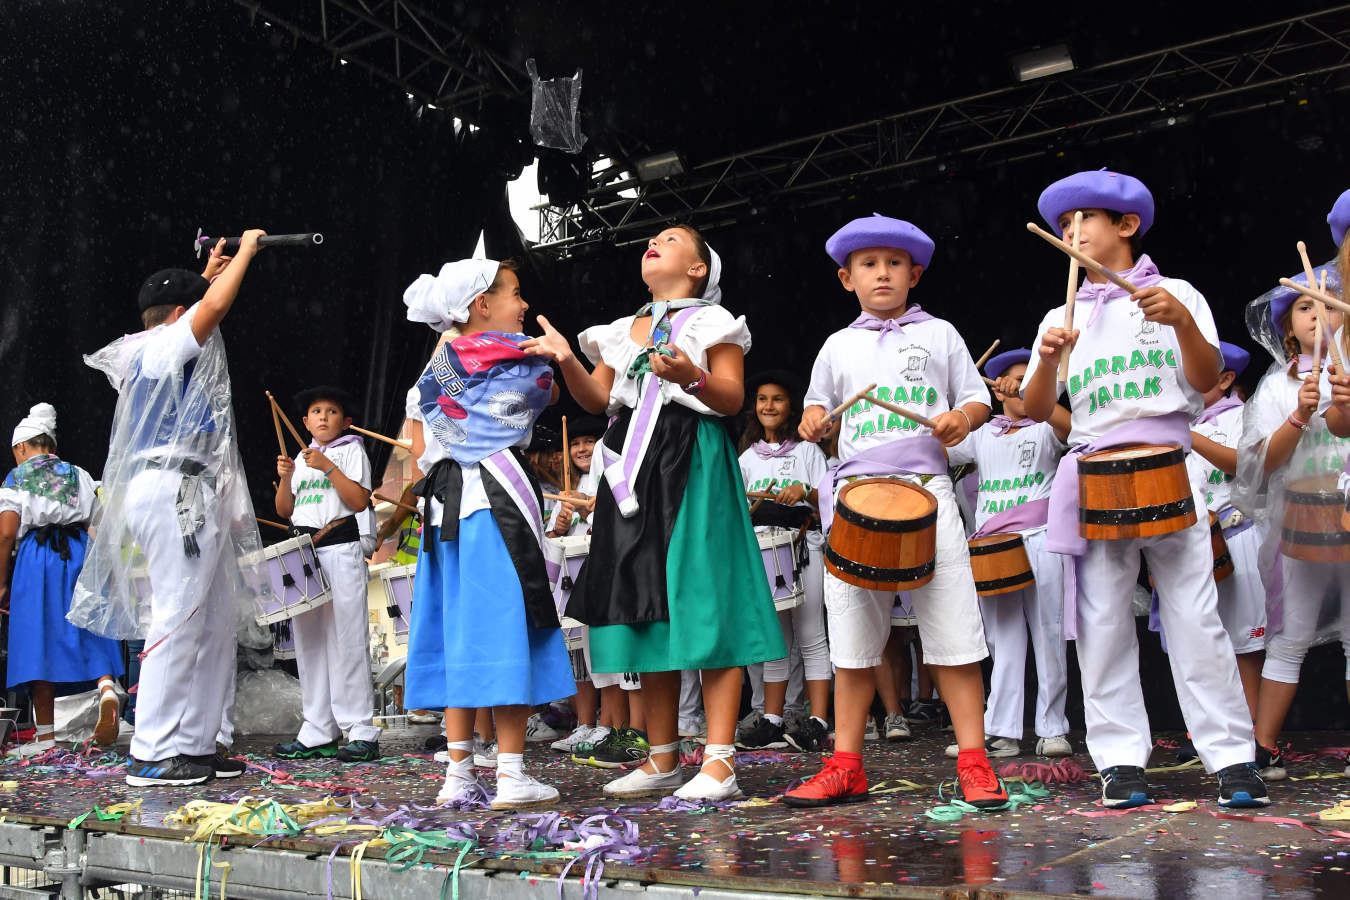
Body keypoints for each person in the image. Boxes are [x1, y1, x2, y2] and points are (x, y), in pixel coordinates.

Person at [1021, 170, 1266, 808]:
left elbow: (1209, 377)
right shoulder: (1061, 312)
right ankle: (1120, 759)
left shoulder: (1178, 292)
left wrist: (1183, 323)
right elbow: (1038, 405)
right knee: (1102, 619)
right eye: (1064, 226)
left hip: (1169, 461)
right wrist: (1047, 359)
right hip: (1095, 468)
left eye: (1085, 221)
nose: (1072, 233)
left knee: (1195, 614)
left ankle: (1232, 757)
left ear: (1126, 226)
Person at [523, 224, 786, 801]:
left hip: (691, 456)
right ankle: (662, 756)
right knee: (646, 603)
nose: (653, 243)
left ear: (698, 269)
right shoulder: (624, 329)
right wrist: (568, 357)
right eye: (651, 239)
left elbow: (733, 398)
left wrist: (687, 374)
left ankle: (718, 760)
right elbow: (597, 400)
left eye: (670, 239)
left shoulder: (714, 323)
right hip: (630, 469)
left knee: (703, 597)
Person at [788, 213, 1005, 809]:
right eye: (868, 265)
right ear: (845, 278)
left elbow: (976, 398)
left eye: (893, 264)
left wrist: (962, 419)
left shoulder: (940, 335)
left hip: (927, 492)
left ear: (915, 274)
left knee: (953, 627)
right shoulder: (838, 345)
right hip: (857, 499)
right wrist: (813, 421)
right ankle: (847, 765)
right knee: (854, 638)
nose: (881, 273)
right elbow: (816, 409)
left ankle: (975, 761)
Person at [73, 233, 267, 787]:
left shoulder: (153, 351)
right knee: (177, 616)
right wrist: (248, 252)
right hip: (171, 487)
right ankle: (153, 747)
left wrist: (207, 271)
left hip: (182, 487)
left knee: (208, 623)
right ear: (177, 315)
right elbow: (214, 307)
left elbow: (203, 303)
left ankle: (195, 744)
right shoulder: (159, 346)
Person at [401, 256, 574, 810]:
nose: (523, 306)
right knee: (506, 629)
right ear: (482, 305)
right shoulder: (524, 364)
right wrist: (559, 356)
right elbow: (547, 394)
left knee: (459, 633)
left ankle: (458, 773)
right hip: (495, 504)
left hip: (445, 511)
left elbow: (418, 459)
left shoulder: (434, 370)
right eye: (515, 294)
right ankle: (511, 772)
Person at [1238, 238, 1350, 781]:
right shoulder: (1276, 388)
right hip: (1301, 527)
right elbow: (1261, 465)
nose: (1317, 312)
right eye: (1305, 305)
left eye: (1329, 301)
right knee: (1292, 635)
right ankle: (1263, 745)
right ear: (1287, 327)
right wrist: (1301, 414)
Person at [945, 349, 1073, 760]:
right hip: (994, 547)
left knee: (1049, 633)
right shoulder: (983, 435)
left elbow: (1075, 432)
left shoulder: (1047, 426)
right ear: (998, 391)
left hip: (1042, 538)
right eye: (1014, 380)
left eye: (1030, 379)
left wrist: (1040, 399)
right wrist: (955, 405)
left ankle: (1053, 728)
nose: (1019, 386)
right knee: (1002, 639)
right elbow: (940, 446)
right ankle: (1002, 729)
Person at [0, 404, 124, 756]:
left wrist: (1, 581)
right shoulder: (79, 474)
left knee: (35, 637)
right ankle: (106, 688)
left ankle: (44, 736)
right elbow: (98, 524)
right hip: (79, 551)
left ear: (22, 447)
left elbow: (6, 533)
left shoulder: (18, 477)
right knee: (86, 623)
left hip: (38, 558)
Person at [272, 386, 381, 762]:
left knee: (346, 638)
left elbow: (358, 501)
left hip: (340, 547)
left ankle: (360, 729)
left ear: (345, 421)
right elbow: (285, 510)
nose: (322, 417)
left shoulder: (352, 450)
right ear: (305, 422)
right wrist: (286, 476)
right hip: (304, 553)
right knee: (310, 642)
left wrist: (328, 467)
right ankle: (318, 729)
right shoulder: (302, 459)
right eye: (315, 411)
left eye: (331, 411)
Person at [734, 370, 832, 753]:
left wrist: (805, 490)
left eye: (776, 399)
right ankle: (772, 719)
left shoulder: (808, 451)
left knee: (810, 635)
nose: (768, 406)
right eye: (761, 399)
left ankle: (818, 720)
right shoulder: (745, 459)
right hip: (764, 552)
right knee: (775, 639)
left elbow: (829, 504)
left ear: (790, 406)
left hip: (803, 544)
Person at [1184, 342, 1266, 723]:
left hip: (1241, 536)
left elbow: (1241, 465)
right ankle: (1216, 731)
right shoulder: (1184, 424)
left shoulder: (1244, 416)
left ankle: (1254, 739)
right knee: (1208, 645)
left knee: (1247, 644)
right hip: (1199, 545)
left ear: (1226, 378)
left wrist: (1187, 436)